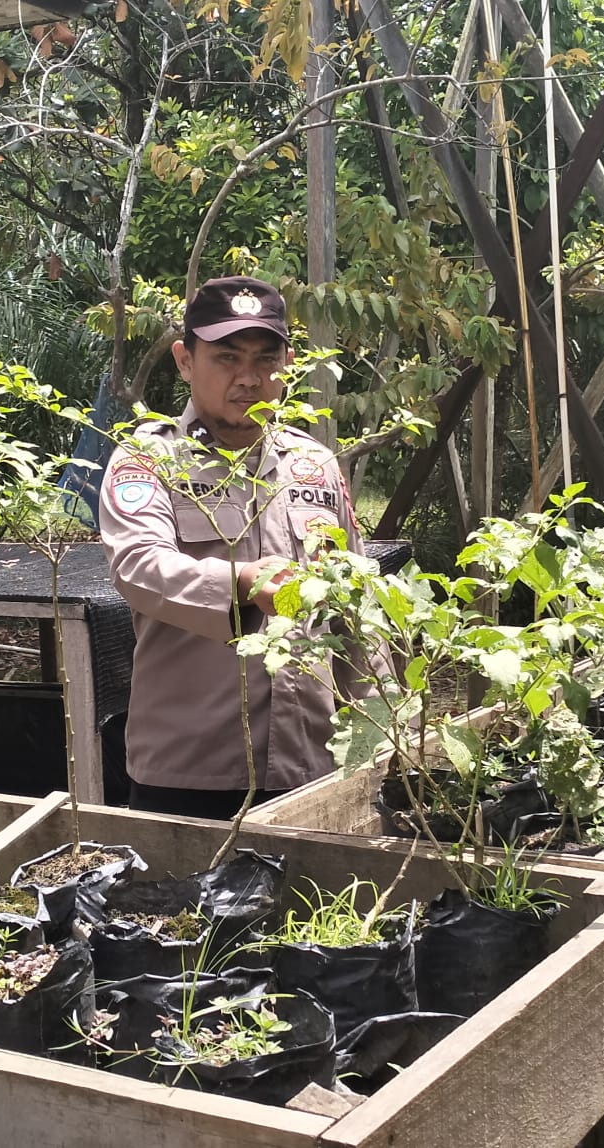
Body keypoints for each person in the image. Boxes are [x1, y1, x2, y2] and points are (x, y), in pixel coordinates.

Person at [99, 275, 380, 818]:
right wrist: (243, 585)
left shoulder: (313, 463)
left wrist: (384, 720)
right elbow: (139, 566)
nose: (248, 378)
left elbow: (355, 597)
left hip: (313, 760)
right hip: (193, 768)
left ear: (287, 363)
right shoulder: (149, 460)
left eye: (265, 360)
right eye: (226, 358)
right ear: (185, 360)